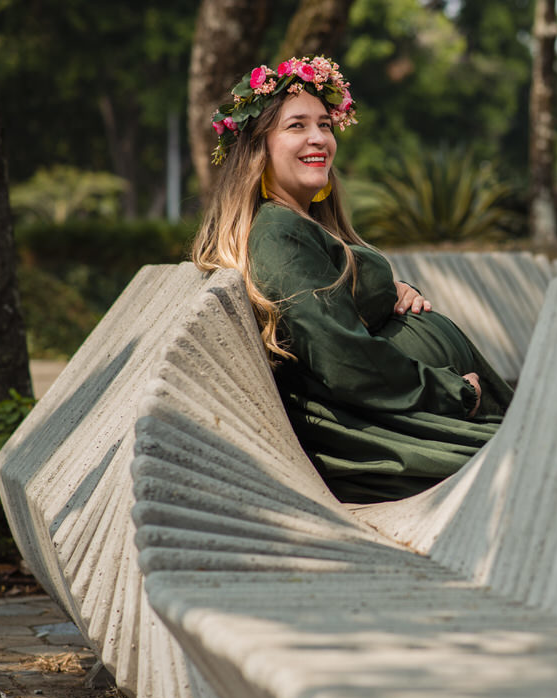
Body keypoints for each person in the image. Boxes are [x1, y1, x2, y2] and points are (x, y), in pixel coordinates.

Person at [192, 55, 512, 502]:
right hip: (385, 438)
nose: (319, 138)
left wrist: (388, 291)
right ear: (258, 148)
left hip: (397, 422)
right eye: (297, 126)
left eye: (324, 124)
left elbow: (333, 308)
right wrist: (453, 392)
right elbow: (342, 359)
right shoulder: (278, 232)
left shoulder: (301, 225)